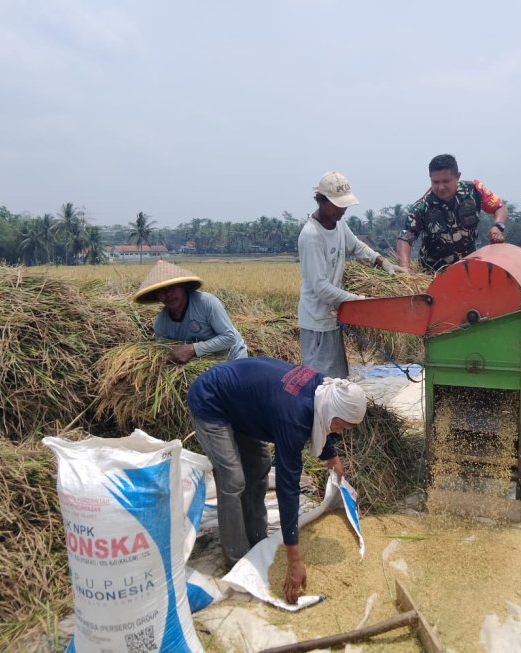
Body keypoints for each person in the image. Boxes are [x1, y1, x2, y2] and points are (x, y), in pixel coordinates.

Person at [187, 356, 367, 603]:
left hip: (245, 407)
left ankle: (257, 539)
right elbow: (287, 487)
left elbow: (323, 423)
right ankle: (237, 557)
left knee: (259, 466)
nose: (341, 432)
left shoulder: (321, 391)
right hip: (211, 401)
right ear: (334, 410)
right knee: (233, 479)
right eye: (343, 427)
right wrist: (294, 557)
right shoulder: (294, 416)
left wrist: (330, 455)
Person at [298, 171, 406, 378]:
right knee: (321, 384)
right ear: (321, 201)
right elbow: (321, 287)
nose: (343, 209)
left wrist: (382, 261)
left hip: (332, 317)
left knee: (338, 379)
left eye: (344, 204)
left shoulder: (339, 224)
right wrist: (357, 301)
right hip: (316, 322)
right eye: (338, 204)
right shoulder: (312, 236)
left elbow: (356, 246)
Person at [397, 153, 509, 272]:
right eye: (436, 182)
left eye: (446, 181)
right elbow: (405, 238)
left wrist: (498, 226)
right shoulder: (421, 207)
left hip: (469, 268)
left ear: (457, 176)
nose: (441, 187)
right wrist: (404, 269)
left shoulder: (474, 191)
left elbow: (500, 207)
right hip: (433, 274)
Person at [133, 259, 248, 364]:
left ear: (183, 287)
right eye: (162, 291)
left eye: (172, 288)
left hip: (232, 357)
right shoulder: (161, 324)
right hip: (203, 363)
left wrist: (193, 349)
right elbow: (166, 349)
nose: (168, 295)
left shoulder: (207, 303)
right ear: (157, 295)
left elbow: (229, 337)